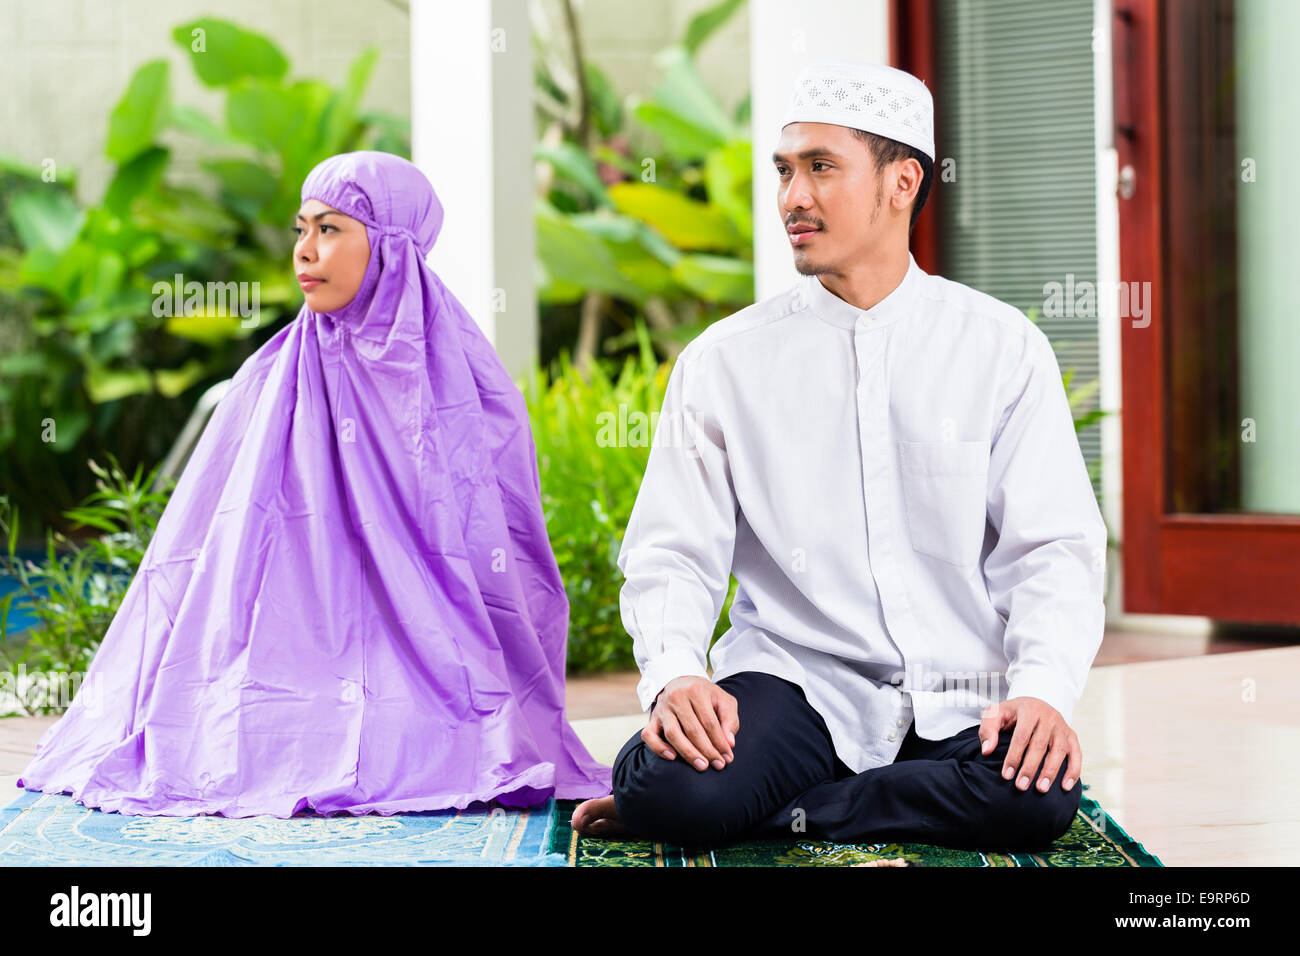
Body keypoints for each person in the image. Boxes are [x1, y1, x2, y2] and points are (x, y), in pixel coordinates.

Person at [571, 60, 1107, 851]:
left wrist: (1042, 691)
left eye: (821, 168)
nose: (792, 197)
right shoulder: (726, 362)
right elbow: (671, 552)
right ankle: (766, 794)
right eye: (785, 171)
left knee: (1036, 800)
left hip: (960, 687)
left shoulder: (1001, 349)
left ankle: (795, 808)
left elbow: (1053, 550)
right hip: (796, 681)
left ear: (901, 183)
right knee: (673, 789)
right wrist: (677, 676)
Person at [16, 150, 612, 817]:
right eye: (301, 229)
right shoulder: (270, 380)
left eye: (329, 230)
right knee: (248, 734)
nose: (304, 251)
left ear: (389, 246)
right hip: (286, 661)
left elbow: (498, 551)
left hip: (434, 666)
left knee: (430, 733)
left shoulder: (468, 384)